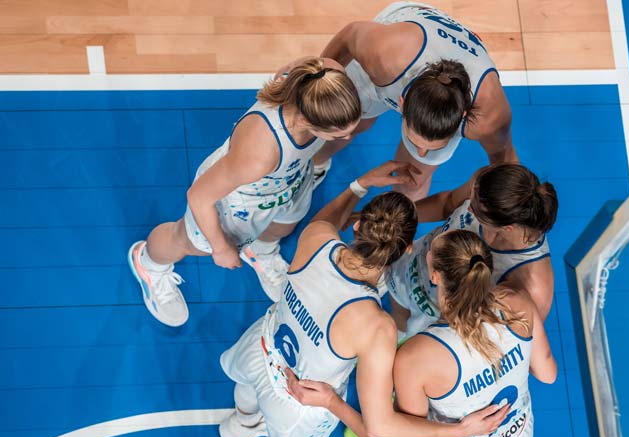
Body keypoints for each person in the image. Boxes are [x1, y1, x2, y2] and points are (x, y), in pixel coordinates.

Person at [192, 164, 511, 437]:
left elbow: (331, 217)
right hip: (299, 399)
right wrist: (456, 430)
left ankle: (243, 422)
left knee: (249, 392)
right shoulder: (376, 327)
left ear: (359, 226)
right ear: (407, 250)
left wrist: (360, 185)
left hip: (261, 347)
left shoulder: (317, 238)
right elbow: (382, 427)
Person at [288, 230, 557, 437]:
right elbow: (547, 375)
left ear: (434, 274)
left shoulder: (420, 356)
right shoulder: (517, 300)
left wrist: (331, 401)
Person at [128, 57, 362, 327]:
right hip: (239, 199)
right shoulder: (258, 154)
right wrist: (220, 249)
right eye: (337, 134)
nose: (346, 139)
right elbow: (198, 197)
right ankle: (149, 263)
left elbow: (308, 64)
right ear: (308, 119)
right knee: (186, 241)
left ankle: (261, 251)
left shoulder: (325, 76)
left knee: (282, 226)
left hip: (288, 181)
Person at [313, 3, 517, 200]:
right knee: (340, 121)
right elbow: (350, 35)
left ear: (462, 116)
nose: (421, 152)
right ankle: (316, 164)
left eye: (433, 146)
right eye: (417, 142)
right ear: (401, 104)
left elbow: (505, 160)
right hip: (404, 34)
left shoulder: (488, 116)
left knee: (413, 178)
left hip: (434, 58)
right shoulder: (384, 56)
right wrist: (316, 85)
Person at [389, 162, 558, 338]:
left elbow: (498, 343)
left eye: (477, 210)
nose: (469, 206)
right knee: (398, 318)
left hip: (432, 321)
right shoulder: (487, 182)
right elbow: (449, 203)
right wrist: (394, 218)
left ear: (506, 227)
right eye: (472, 195)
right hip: (406, 269)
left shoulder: (531, 287)